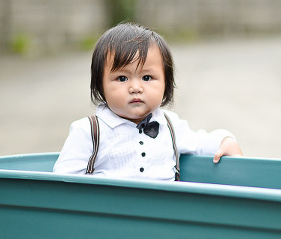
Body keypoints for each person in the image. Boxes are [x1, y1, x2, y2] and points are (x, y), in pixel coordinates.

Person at [53, 22, 242, 180]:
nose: (136, 87)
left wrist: (225, 140)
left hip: (162, 216)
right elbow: (65, 180)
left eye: (147, 78)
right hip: (110, 217)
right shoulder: (89, 131)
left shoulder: (170, 125)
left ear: (166, 83)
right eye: (122, 78)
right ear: (100, 84)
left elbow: (200, 142)